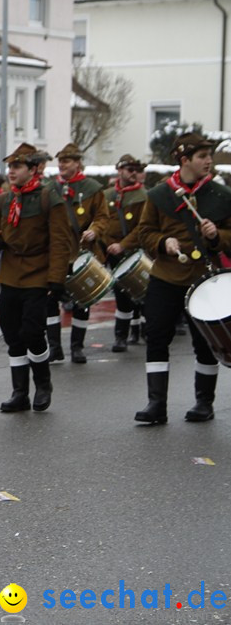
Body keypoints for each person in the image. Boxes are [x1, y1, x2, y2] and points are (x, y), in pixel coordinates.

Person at [135, 133, 231, 424]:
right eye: (202, 157)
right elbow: (144, 232)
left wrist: (217, 236)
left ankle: (204, 403)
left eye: (209, 156)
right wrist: (163, 242)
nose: (209, 161)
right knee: (156, 337)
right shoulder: (159, 195)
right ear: (184, 160)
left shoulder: (221, 195)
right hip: (166, 276)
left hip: (204, 280)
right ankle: (156, 405)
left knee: (205, 344)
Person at [0, 143, 71, 413]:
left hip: (38, 274)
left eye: (17, 166)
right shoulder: (3, 200)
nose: (11, 171)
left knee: (32, 332)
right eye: (9, 166)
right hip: (10, 274)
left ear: (33, 169)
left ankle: (43, 384)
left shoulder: (48, 196)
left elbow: (60, 241)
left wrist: (56, 280)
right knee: (12, 335)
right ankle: (19, 393)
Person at [45, 143, 111, 364]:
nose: (62, 165)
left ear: (77, 163)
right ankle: (54, 348)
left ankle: (77, 348)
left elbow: (103, 217)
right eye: (60, 161)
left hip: (82, 253)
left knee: (82, 302)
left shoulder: (92, 188)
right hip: (56, 254)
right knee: (50, 300)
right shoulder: (50, 188)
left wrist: (95, 230)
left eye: (67, 161)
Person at [102, 154, 148, 352]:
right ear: (120, 171)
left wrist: (123, 244)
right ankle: (121, 336)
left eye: (137, 170)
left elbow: (143, 227)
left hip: (135, 250)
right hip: (112, 251)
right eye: (130, 170)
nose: (134, 174)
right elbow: (102, 221)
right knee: (122, 295)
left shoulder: (142, 196)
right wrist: (105, 244)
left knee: (142, 292)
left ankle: (145, 332)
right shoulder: (107, 195)